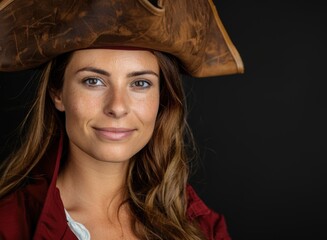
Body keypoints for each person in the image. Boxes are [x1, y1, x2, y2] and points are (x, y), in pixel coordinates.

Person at [0, 0, 244, 239]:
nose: (117, 107)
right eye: (93, 81)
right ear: (58, 93)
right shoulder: (9, 226)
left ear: (162, 98)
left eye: (140, 83)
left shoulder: (201, 227)